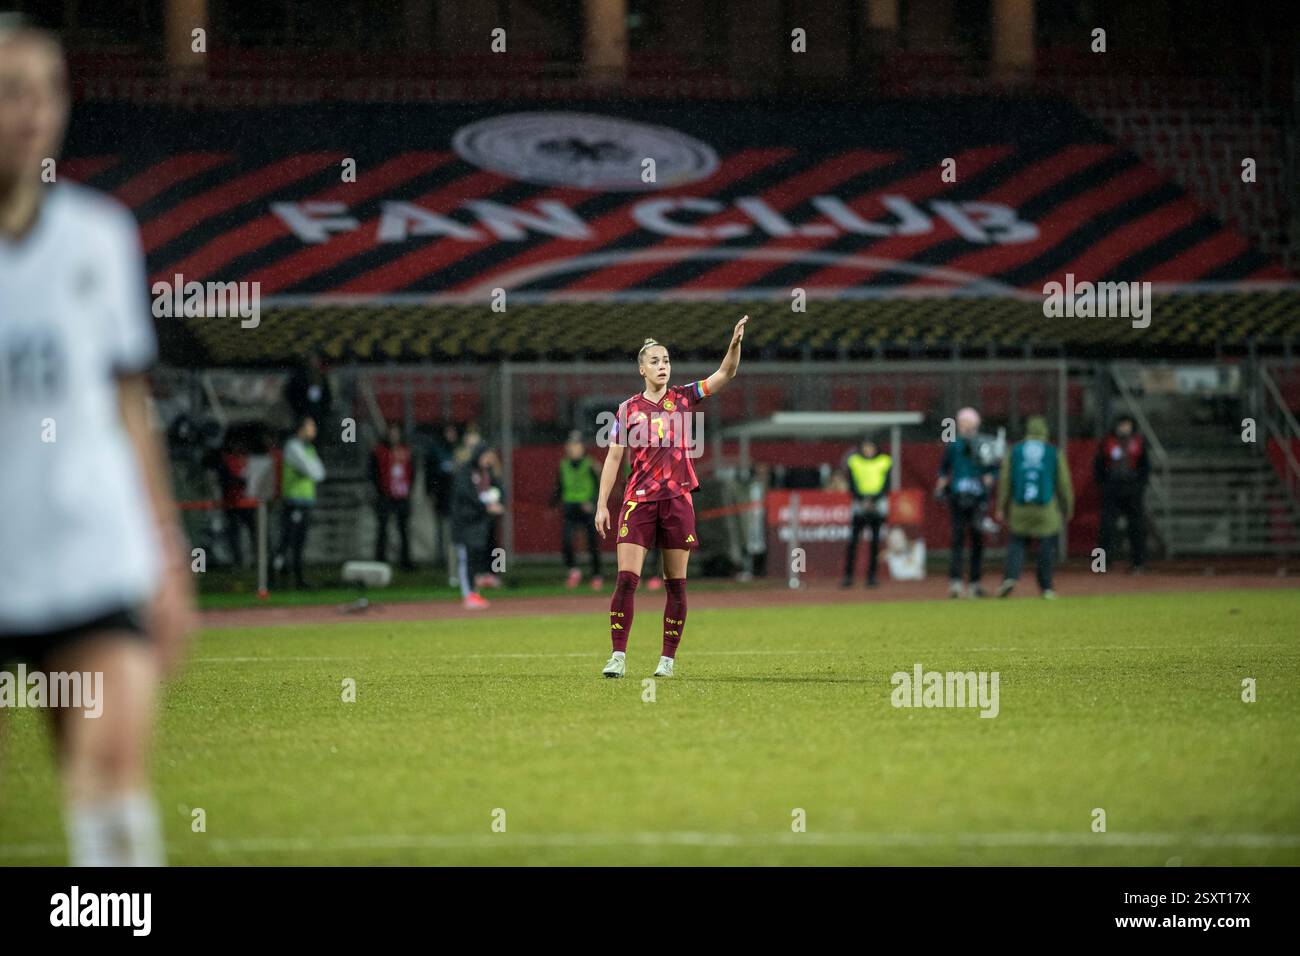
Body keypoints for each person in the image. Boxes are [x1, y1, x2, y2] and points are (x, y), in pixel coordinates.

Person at [0, 16, 196, 866]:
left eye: (47, 91)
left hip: (91, 550)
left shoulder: (99, 236)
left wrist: (162, 548)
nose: (32, 111)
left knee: (112, 786)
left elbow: (128, 405)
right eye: (10, 91)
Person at [595, 315, 748, 679]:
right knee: (626, 580)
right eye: (655, 361)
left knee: (675, 583)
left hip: (678, 500)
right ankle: (617, 656)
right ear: (641, 369)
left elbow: (725, 375)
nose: (662, 366)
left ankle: (667, 660)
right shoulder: (628, 409)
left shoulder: (683, 397)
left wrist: (735, 344)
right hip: (639, 501)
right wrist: (602, 503)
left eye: (666, 360)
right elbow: (614, 456)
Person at [995, 416, 1074, 599]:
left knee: (1017, 544)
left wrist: (1001, 506)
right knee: (1046, 547)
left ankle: (1011, 576)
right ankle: (1046, 586)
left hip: (1019, 506)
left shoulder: (1014, 451)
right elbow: (1063, 483)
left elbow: (1005, 481)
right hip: (1045, 508)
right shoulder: (1053, 452)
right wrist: (1067, 507)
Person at [935, 407, 996, 598]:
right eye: (961, 423)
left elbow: (993, 468)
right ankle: (955, 582)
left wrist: (990, 478)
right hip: (958, 497)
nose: (964, 426)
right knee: (957, 539)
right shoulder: (953, 444)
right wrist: (941, 483)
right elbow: (944, 468)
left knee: (977, 540)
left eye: (967, 423)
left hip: (978, 498)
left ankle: (975, 583)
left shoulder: (985, 443)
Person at [273, 415, 325, 589]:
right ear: (301, 429)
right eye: (311, 427)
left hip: (305, 501)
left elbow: (320, 473)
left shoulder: (308, 448)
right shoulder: (292, 446)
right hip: (293, 501)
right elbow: (311, 470)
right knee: (286, 540)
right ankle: (273, 577)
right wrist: (311, 469)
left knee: (299, 542)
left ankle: (298, 579)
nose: (314, 430)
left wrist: (312, 469)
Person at [1094, 414, 1150, 573]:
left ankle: (1139, 563)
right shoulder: (1107, 441)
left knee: (1136, 527)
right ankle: (1100, 564)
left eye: (1127, 425)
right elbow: (1098, 465)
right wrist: (1103, 485)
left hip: (1133, 489)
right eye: (1121, 425)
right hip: (1112, 489)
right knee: (1106, 527)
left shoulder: (1139, 441)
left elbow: (1145, 466)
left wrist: (1139, 485)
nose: (1124, 428)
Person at [451, 444, 505, 609]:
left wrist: (497, 502)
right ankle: (469, 594)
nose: (488, 460)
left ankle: (493, 573)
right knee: (466, 559)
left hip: (480, 523)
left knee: (489, 550)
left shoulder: (487, 472)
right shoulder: (465, 472)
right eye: (485, 456)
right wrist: (486, 506)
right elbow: (466, 496)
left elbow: (500, 489)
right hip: (465, 523)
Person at [555, 431, 603, 590]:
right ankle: (573, 571)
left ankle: (596, 575)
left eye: (577, 445)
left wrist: (593, 503)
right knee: (566, 542)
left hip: (587, 509)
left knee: (592, 543)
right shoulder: (563, 465)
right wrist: (551, 505)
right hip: (570, 508)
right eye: (571, 445)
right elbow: (559, 488)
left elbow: (599, 487)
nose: (573, 448)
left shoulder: (590, 464)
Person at [842, 434, 892, 588]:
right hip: (859, 504)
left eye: (870, 447)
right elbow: (851, 483)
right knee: (853, 542)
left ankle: (871, 577)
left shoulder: (884, 461)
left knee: (875, 543)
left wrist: (873, 499)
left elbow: (887, 484)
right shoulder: (854, 461)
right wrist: (863, 498)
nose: (868, 450)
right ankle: (848, 576)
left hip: (877, 504)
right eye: (865, 447)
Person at [370, 421, 414, 571]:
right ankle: (380, 560)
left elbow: (412, 472)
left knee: (404, 530)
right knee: (382, 529)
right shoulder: (379, 451)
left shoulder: (406, 450)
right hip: (385, 496)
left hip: (402, 496)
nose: (394, 436)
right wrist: (380, 490)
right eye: (391, 433)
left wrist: (408, 491)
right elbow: (373, 472)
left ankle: (406, 561)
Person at [426, 423, 460, 587]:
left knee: (460, 541)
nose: (451, 435)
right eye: (448, 431)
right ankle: (444, 564)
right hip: (445, 502)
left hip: (462, 505)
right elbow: (431, 475)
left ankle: (463, 572)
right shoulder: (437, 452)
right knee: (447, 537)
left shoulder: (460, 452)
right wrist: (431, 493)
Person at [283, 351, 332, 434]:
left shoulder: (321, 378)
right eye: (312, 361)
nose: (315, 363)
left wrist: (324, 411)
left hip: (318, 415)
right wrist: (300, 410)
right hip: (303, 415)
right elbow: (291, 394)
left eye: (317, 361)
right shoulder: (299, 377)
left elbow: (327, 396)